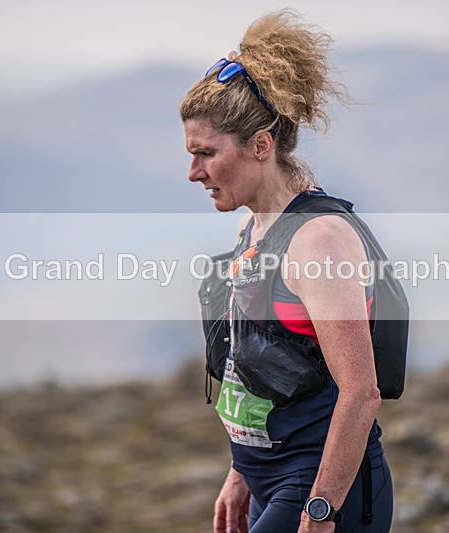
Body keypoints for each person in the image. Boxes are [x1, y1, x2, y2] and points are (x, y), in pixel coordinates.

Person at [180, 10, 394, 533]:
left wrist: (321, 512)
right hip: (266, 483)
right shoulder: (253, 227)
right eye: (191, 154)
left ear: (260, 144)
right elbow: (254, 365)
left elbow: (361, 391)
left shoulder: (318, 241)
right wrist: (240, 473)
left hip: (320, 490)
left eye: (206, 154)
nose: (193, 173)